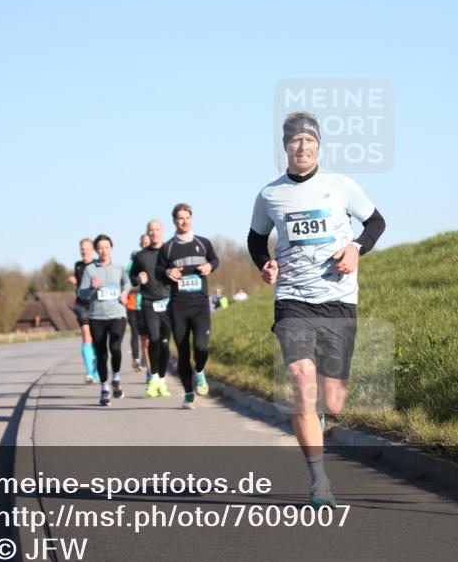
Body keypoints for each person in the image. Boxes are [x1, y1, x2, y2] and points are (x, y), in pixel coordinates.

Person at [248, 111, 386, 508]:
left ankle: (322, 418)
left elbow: (376, 221)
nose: (302, 147)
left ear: (318, 146)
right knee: (301, 382)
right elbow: (256, 238)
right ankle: (319, 481)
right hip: (293, 299)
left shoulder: (341, 186)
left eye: (309, 141)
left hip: (339, 300)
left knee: (334, 399)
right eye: (295, 141)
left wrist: (357, 248)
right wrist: (265, 263)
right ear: (285, 147)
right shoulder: (269, 194)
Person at [157, 203, 220, 410]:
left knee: (201, 347)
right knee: (183, 352)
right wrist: (168, 273)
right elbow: (158, 271)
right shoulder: (168, 248)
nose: (184, 222)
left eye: (187, 218)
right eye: (180, 218)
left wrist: (210, 266)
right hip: (178, 306)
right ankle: (188, 393)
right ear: (174, 221)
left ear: (192, 219)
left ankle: (200, 372)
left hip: (200, 304)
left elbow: (215, 259)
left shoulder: (203, 243)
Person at [78, 234, 131, 406]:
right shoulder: (90, 270)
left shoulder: (119, 268)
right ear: (96, 250)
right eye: (100, 248)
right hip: (97, 317)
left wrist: (124, 293)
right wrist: (92, 288)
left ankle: (115, 377)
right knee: (101, 355)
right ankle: (105, 388)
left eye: (106, 247)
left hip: (117, 314)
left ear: (112, 249)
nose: (103, 251)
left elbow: (127, 283)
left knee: (115, 347)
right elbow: (81, 293)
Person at [131, 220, 173, 399]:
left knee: (165, 344)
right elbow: (132, 277)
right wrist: (138, 279)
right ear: (147, 232)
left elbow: (181, 272)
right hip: (149, 303)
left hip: (168, 302)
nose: (154, 233)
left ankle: (161, 381)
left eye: (157, 229)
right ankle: (153, 377)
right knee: (154, 339)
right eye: (151, 230)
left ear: (162, 231)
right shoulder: (140, 256)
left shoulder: (171, 251)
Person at [67, 238, 99, 384]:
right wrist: (75, 282)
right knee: (86, 336)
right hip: (82, 305)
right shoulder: (78, 265)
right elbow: (80, 286)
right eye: (82, 249)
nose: (84, 251)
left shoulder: (98, 265)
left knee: (98, 339)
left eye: (87, 248)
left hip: (96, 305)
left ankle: (98, 369)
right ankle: (89, 372)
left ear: (93, 250)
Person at [126, 234, 152, 371]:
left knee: (152, 336)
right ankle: (136, 359)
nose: (146, 246)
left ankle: (145, 358)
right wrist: (139, 286)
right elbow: (127, 283)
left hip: (151, 303)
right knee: (136, 333)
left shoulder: (157, 257)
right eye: (143, 244)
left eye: (148, 243)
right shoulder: (134, 261)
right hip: (133, 305)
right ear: (140, 244)